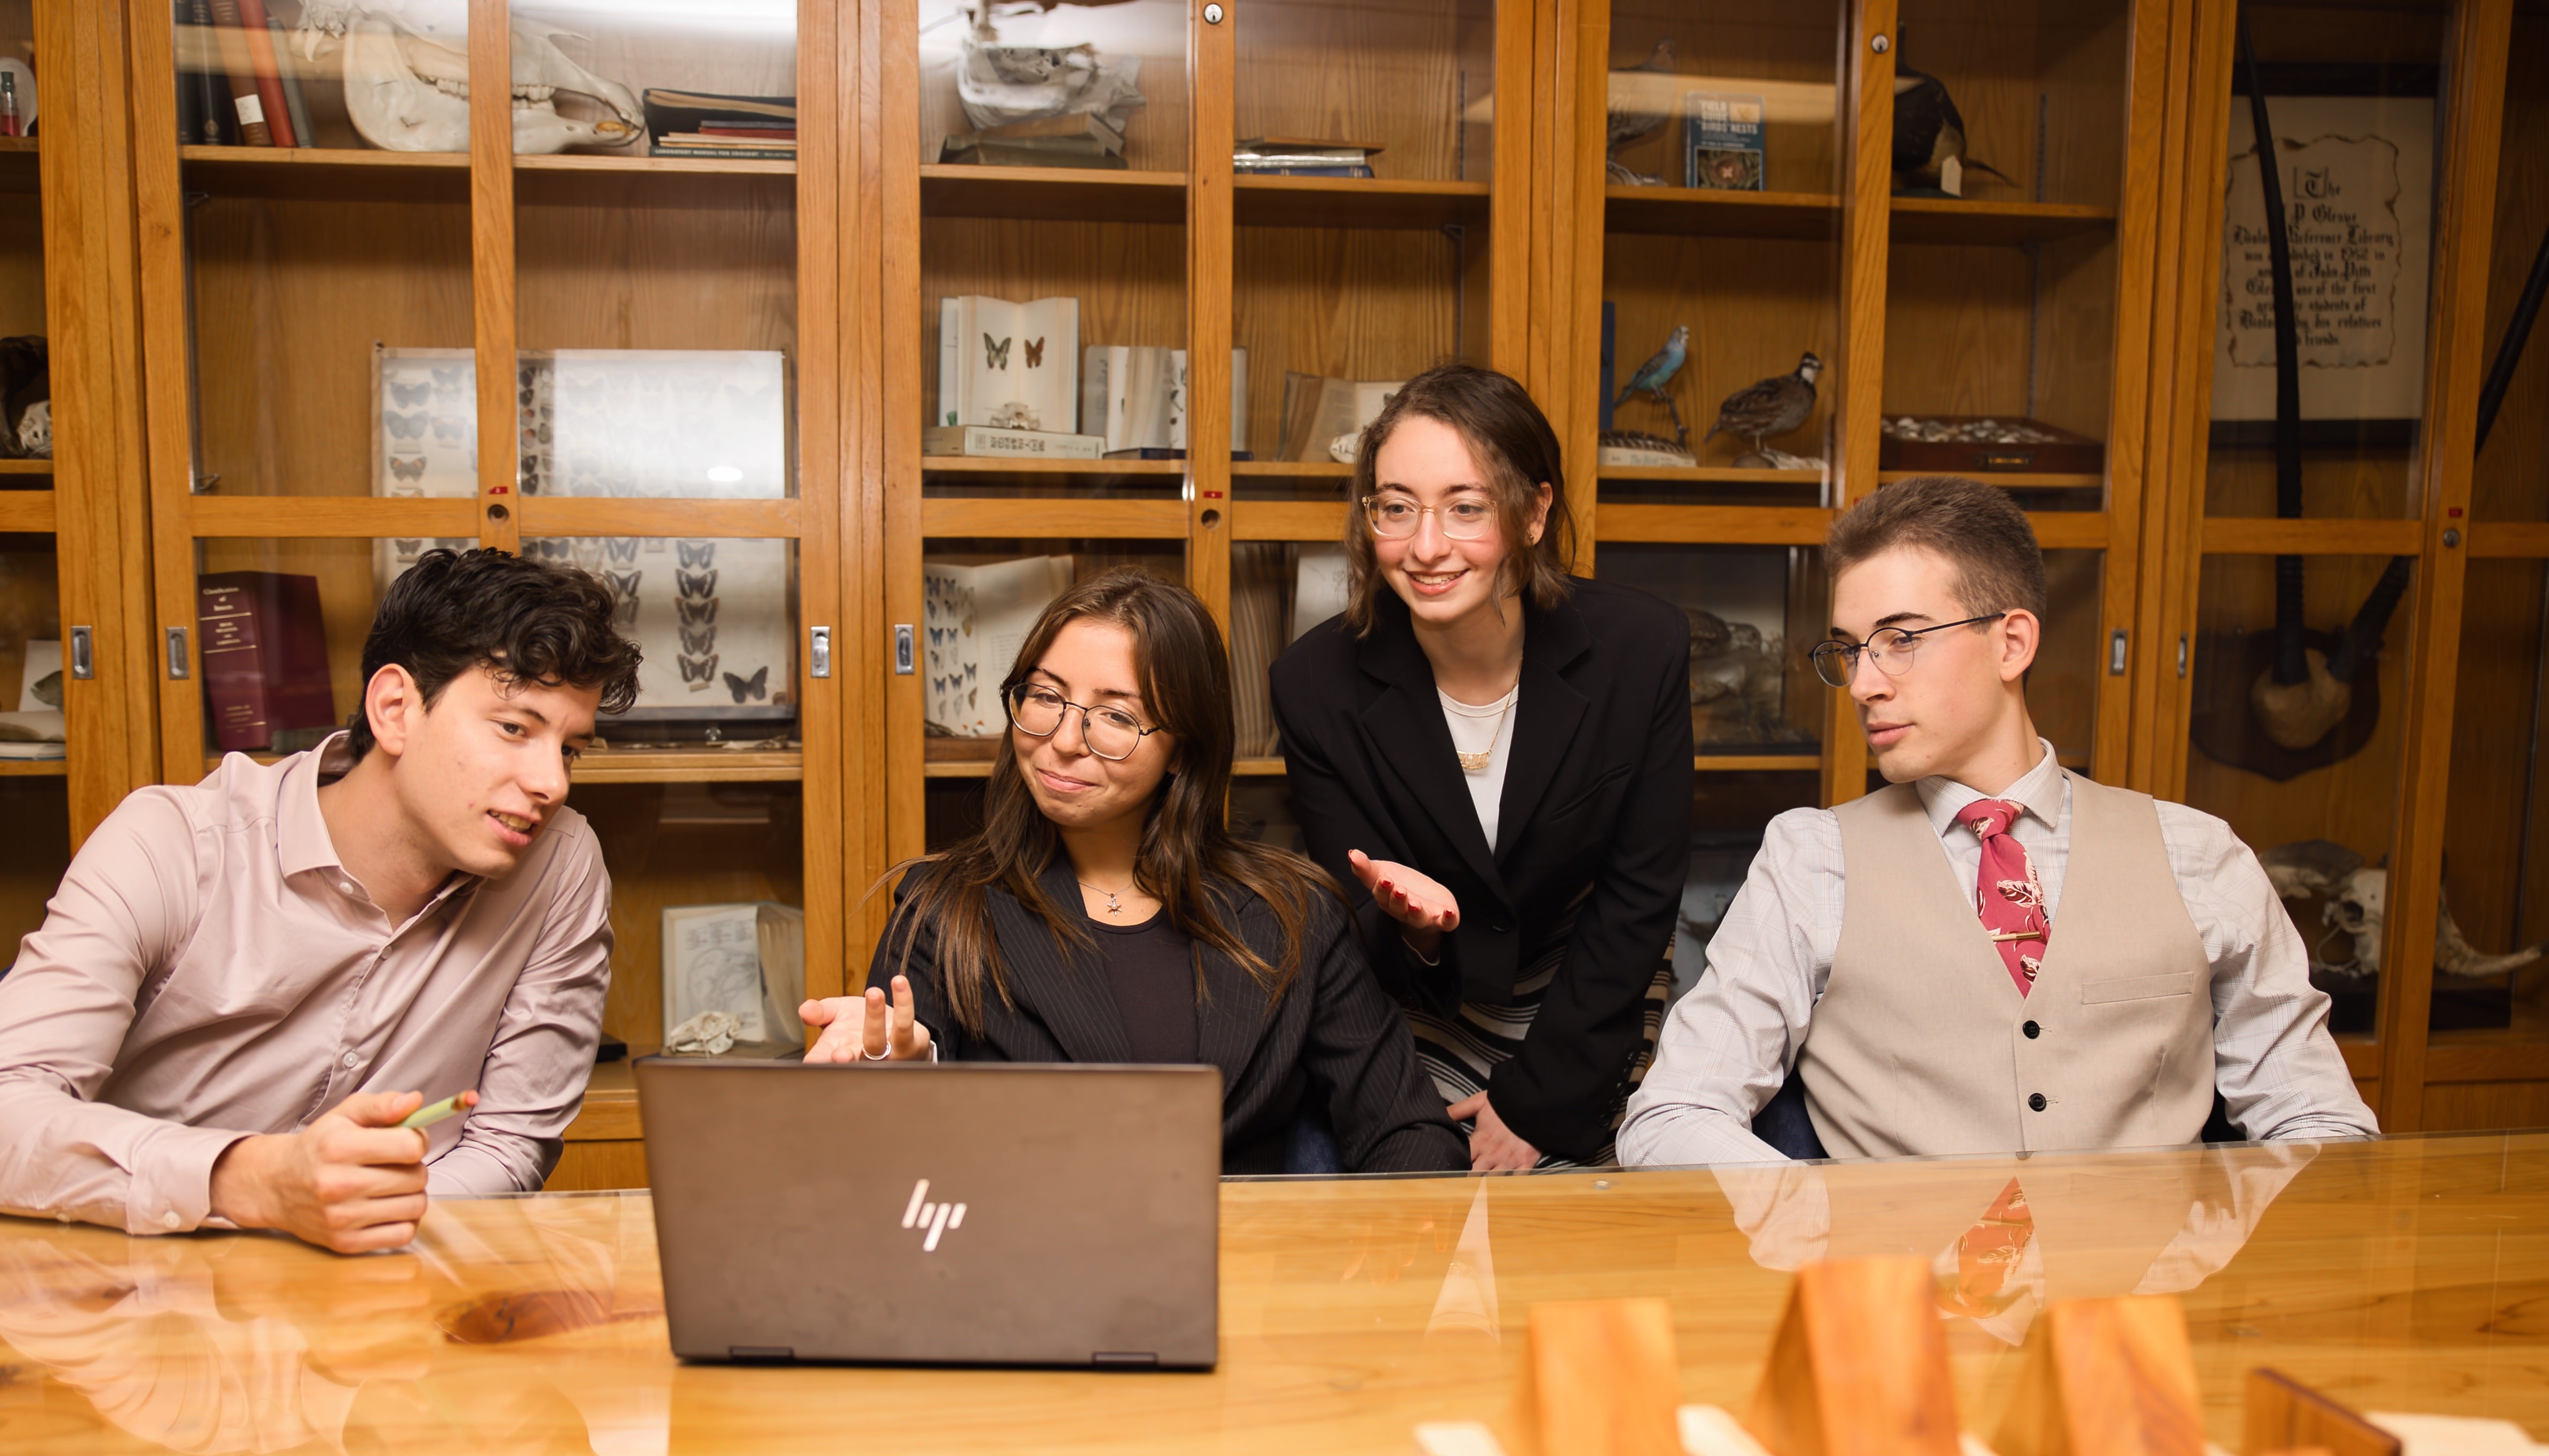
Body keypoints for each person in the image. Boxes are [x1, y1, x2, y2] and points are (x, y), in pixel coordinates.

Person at [1616, 475, 2379, 1168]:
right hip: (1896, 1305)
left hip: (2144, 1308)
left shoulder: (2197, 855)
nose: (1862, 684)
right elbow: (1671, 1113)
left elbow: (2321, 1121)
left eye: (1900, 640)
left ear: (2011, 642)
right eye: (1849, 650)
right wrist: (1827, 1226)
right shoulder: (1810, 859)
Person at [0, 547, 645, 1250]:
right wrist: (252, 1181)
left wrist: (359, 1232)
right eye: (514, 729)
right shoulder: (173, 843)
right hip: (134, 1295)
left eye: (569, 748)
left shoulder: (557, 865)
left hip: (386, 1309)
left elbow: (508, 1145)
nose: (551, 783)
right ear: (394, 707)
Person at [799, 567, 1467, 1175]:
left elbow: (1407, 1131)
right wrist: (908, 1067)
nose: (1062, 739)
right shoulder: (943, 908)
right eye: (1045, 696)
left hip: (1245, 1282)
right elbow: (881, 1155)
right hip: (1028, 1283)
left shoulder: (1294, 913)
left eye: (1116, 716)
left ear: (1183, 750)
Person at [1270, 364, 1693, 1171]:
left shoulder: (1640, 650)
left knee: (1583, 1232)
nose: (1425, 547)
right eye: (1395, 508)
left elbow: (1639, 898)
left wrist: (1536, 1101)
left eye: (1466, 508)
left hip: (1589, 993)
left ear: (1534, 512)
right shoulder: (1312, 683)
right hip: (1419, 1000)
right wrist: (1418, 935)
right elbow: (1351, 929)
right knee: (1422, 1215)